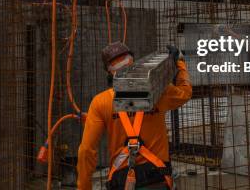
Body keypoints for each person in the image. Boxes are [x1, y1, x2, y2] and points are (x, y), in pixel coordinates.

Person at [77, 42, 192, 190]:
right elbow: (185, 92)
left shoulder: (100, 103)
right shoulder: (159, 91)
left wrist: (83, 187)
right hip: (158, 178)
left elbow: (86, 151)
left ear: (108, 71)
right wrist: (180, 63)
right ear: (133, 62)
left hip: (121, 181)